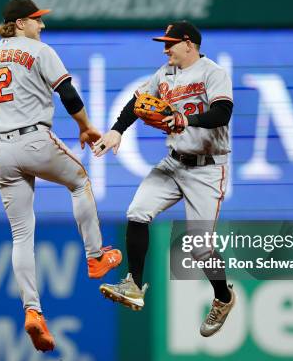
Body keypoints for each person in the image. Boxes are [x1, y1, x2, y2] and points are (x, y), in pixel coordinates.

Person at [0, 0, 122, 352]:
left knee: (21, 235)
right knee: (79, 181)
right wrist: (85, 126)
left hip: (1, 150)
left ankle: (33, 311)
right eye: (36, 20)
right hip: (34, 137)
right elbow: (67, 93)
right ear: (20, 23)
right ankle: (96, 256)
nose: (42, 26)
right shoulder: (39, 50)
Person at [92, 21, 235, 337]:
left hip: (208, 168)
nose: (165, 48)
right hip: (173, 163)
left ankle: (223, 297)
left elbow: (223, 113)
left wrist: (188, 118)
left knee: (200, 249)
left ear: (189, 44)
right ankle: (133, 285)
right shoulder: (165, 74)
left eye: (170, 43)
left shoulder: (213, 72)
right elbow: (138, 103)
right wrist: (117, 130)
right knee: (137, 212)